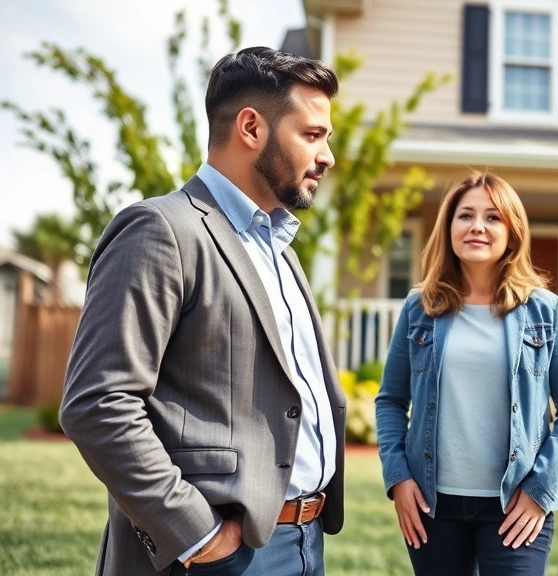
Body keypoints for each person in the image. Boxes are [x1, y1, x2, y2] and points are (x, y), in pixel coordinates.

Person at [59, 46, 347, 576]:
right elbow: (98, 403)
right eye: (312, 135)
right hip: (217, 554)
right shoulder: (161, 230)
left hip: (304, 542)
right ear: (251, 128)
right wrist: (199, 535)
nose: (327, 155)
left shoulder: (279, 247)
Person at [376, 171, 558, 576]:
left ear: (512, 233)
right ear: (449, 229)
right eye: (466, 215)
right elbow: (390, 400)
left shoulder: (546, 311)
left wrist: (541, 488)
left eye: (493, 217)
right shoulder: (418, 308)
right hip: (432, 506)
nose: (477, 226)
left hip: (517, 505)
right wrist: (398, 477)